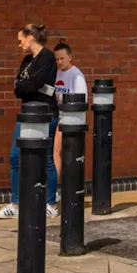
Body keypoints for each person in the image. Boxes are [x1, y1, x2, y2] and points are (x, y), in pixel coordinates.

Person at [0, 23, 59, 220]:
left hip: (45, 114)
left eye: (21, 40)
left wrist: (26, 85)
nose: (19, 44)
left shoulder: (47, 57)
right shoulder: (26, 61)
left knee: (46, 159)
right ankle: (16, 204)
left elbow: (32, 84)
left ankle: (50, 204)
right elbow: (19, 88)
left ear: (30, 38)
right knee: (15, 157)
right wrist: (26, 85)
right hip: (27, 113)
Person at [52, 40, 88, 204]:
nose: (59, 62)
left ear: (70, 57)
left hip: (69, 119)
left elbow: (81, 100)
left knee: (56, 152)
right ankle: (57, 188)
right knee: (56, 153)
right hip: (57, 115)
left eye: (62, 58)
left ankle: (54, 191)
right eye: (57, 59)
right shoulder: (57, 73)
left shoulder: (76, 75)